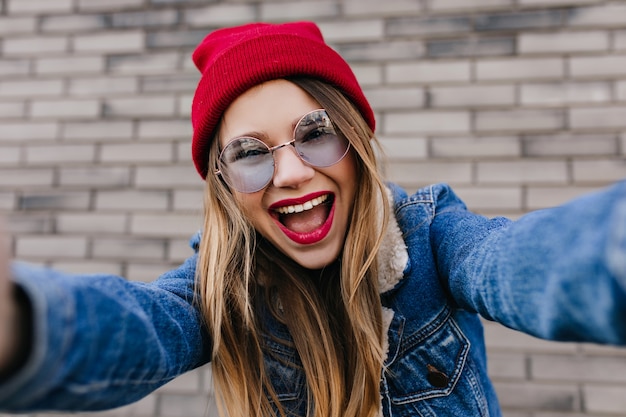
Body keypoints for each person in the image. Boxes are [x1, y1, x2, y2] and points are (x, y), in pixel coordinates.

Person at [0, 20, 624, 417]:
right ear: (223, 185)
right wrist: (21, 322)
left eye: (316, 134)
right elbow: (142, 329)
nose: (294, 173)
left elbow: (523, 261)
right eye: (249, 154)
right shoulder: (218, 290)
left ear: (354, 142)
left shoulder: (434, 239)